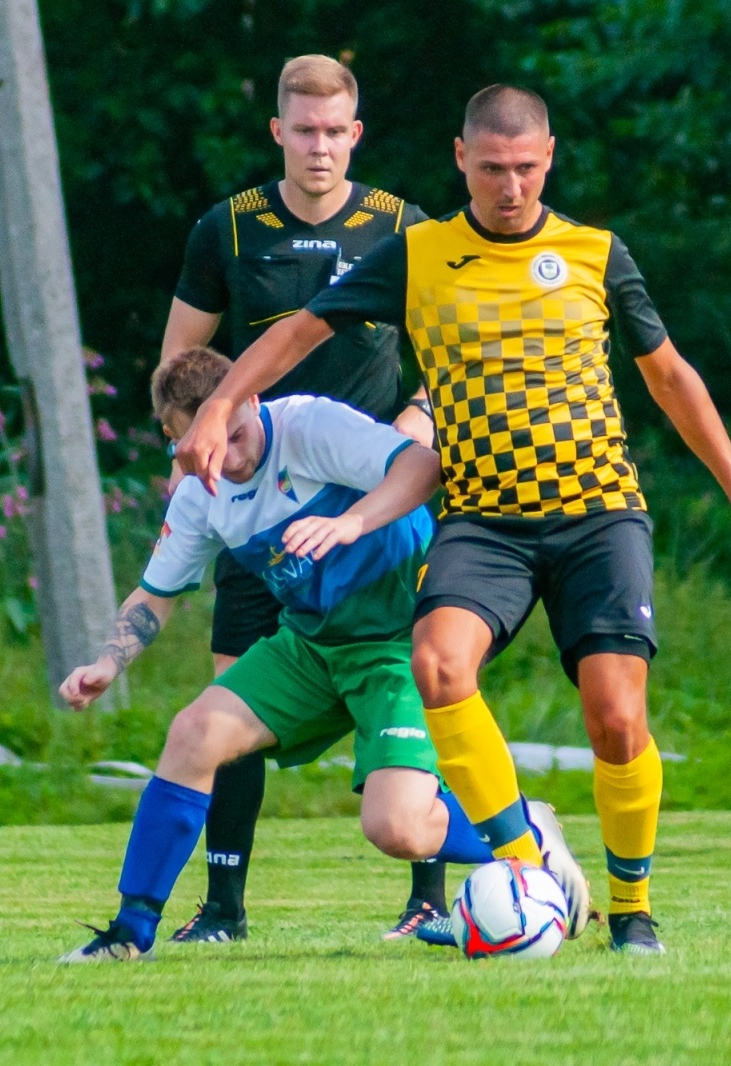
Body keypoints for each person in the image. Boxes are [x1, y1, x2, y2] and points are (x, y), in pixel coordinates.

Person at [174, 85, 731, 955]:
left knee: (616, 719)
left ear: (550, 160)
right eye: (494, 168)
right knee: (436, 664)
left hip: (597, 517)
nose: (512, 186)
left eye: (528, 169)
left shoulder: (594, 252)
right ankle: (524, 861)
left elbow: (671, 378)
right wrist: (222, 403)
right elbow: (300, 333)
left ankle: (632, 907)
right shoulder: (416, 254)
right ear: (461, 159)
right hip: (484, 517)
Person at [58, 348, 500, 962]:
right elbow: (156, 593)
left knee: (396, 828)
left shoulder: (311, 427)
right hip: (312, 647)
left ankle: (526, 833)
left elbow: (424, 469)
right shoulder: (198, 493)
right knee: (193, 733)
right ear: (175, 438)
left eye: (236, 434)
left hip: (402, 641)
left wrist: (351, 522)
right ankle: (130, 933)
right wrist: (108, 662)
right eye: (209, 446)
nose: (229, 458)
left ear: (253, 398)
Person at [155, 54, 442, 944]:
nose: (320, 147)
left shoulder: (403, 228)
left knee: (414, 690)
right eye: (304, 130)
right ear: (278, 131)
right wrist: (188, 457)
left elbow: (451, 362)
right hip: (261, 509)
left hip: (375, 505)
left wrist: (417, 425)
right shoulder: (227, 229)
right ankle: (225, 906)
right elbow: (179, 370)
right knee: (227, 696)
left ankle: (429, 895)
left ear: (357, 134)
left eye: (336, 131)